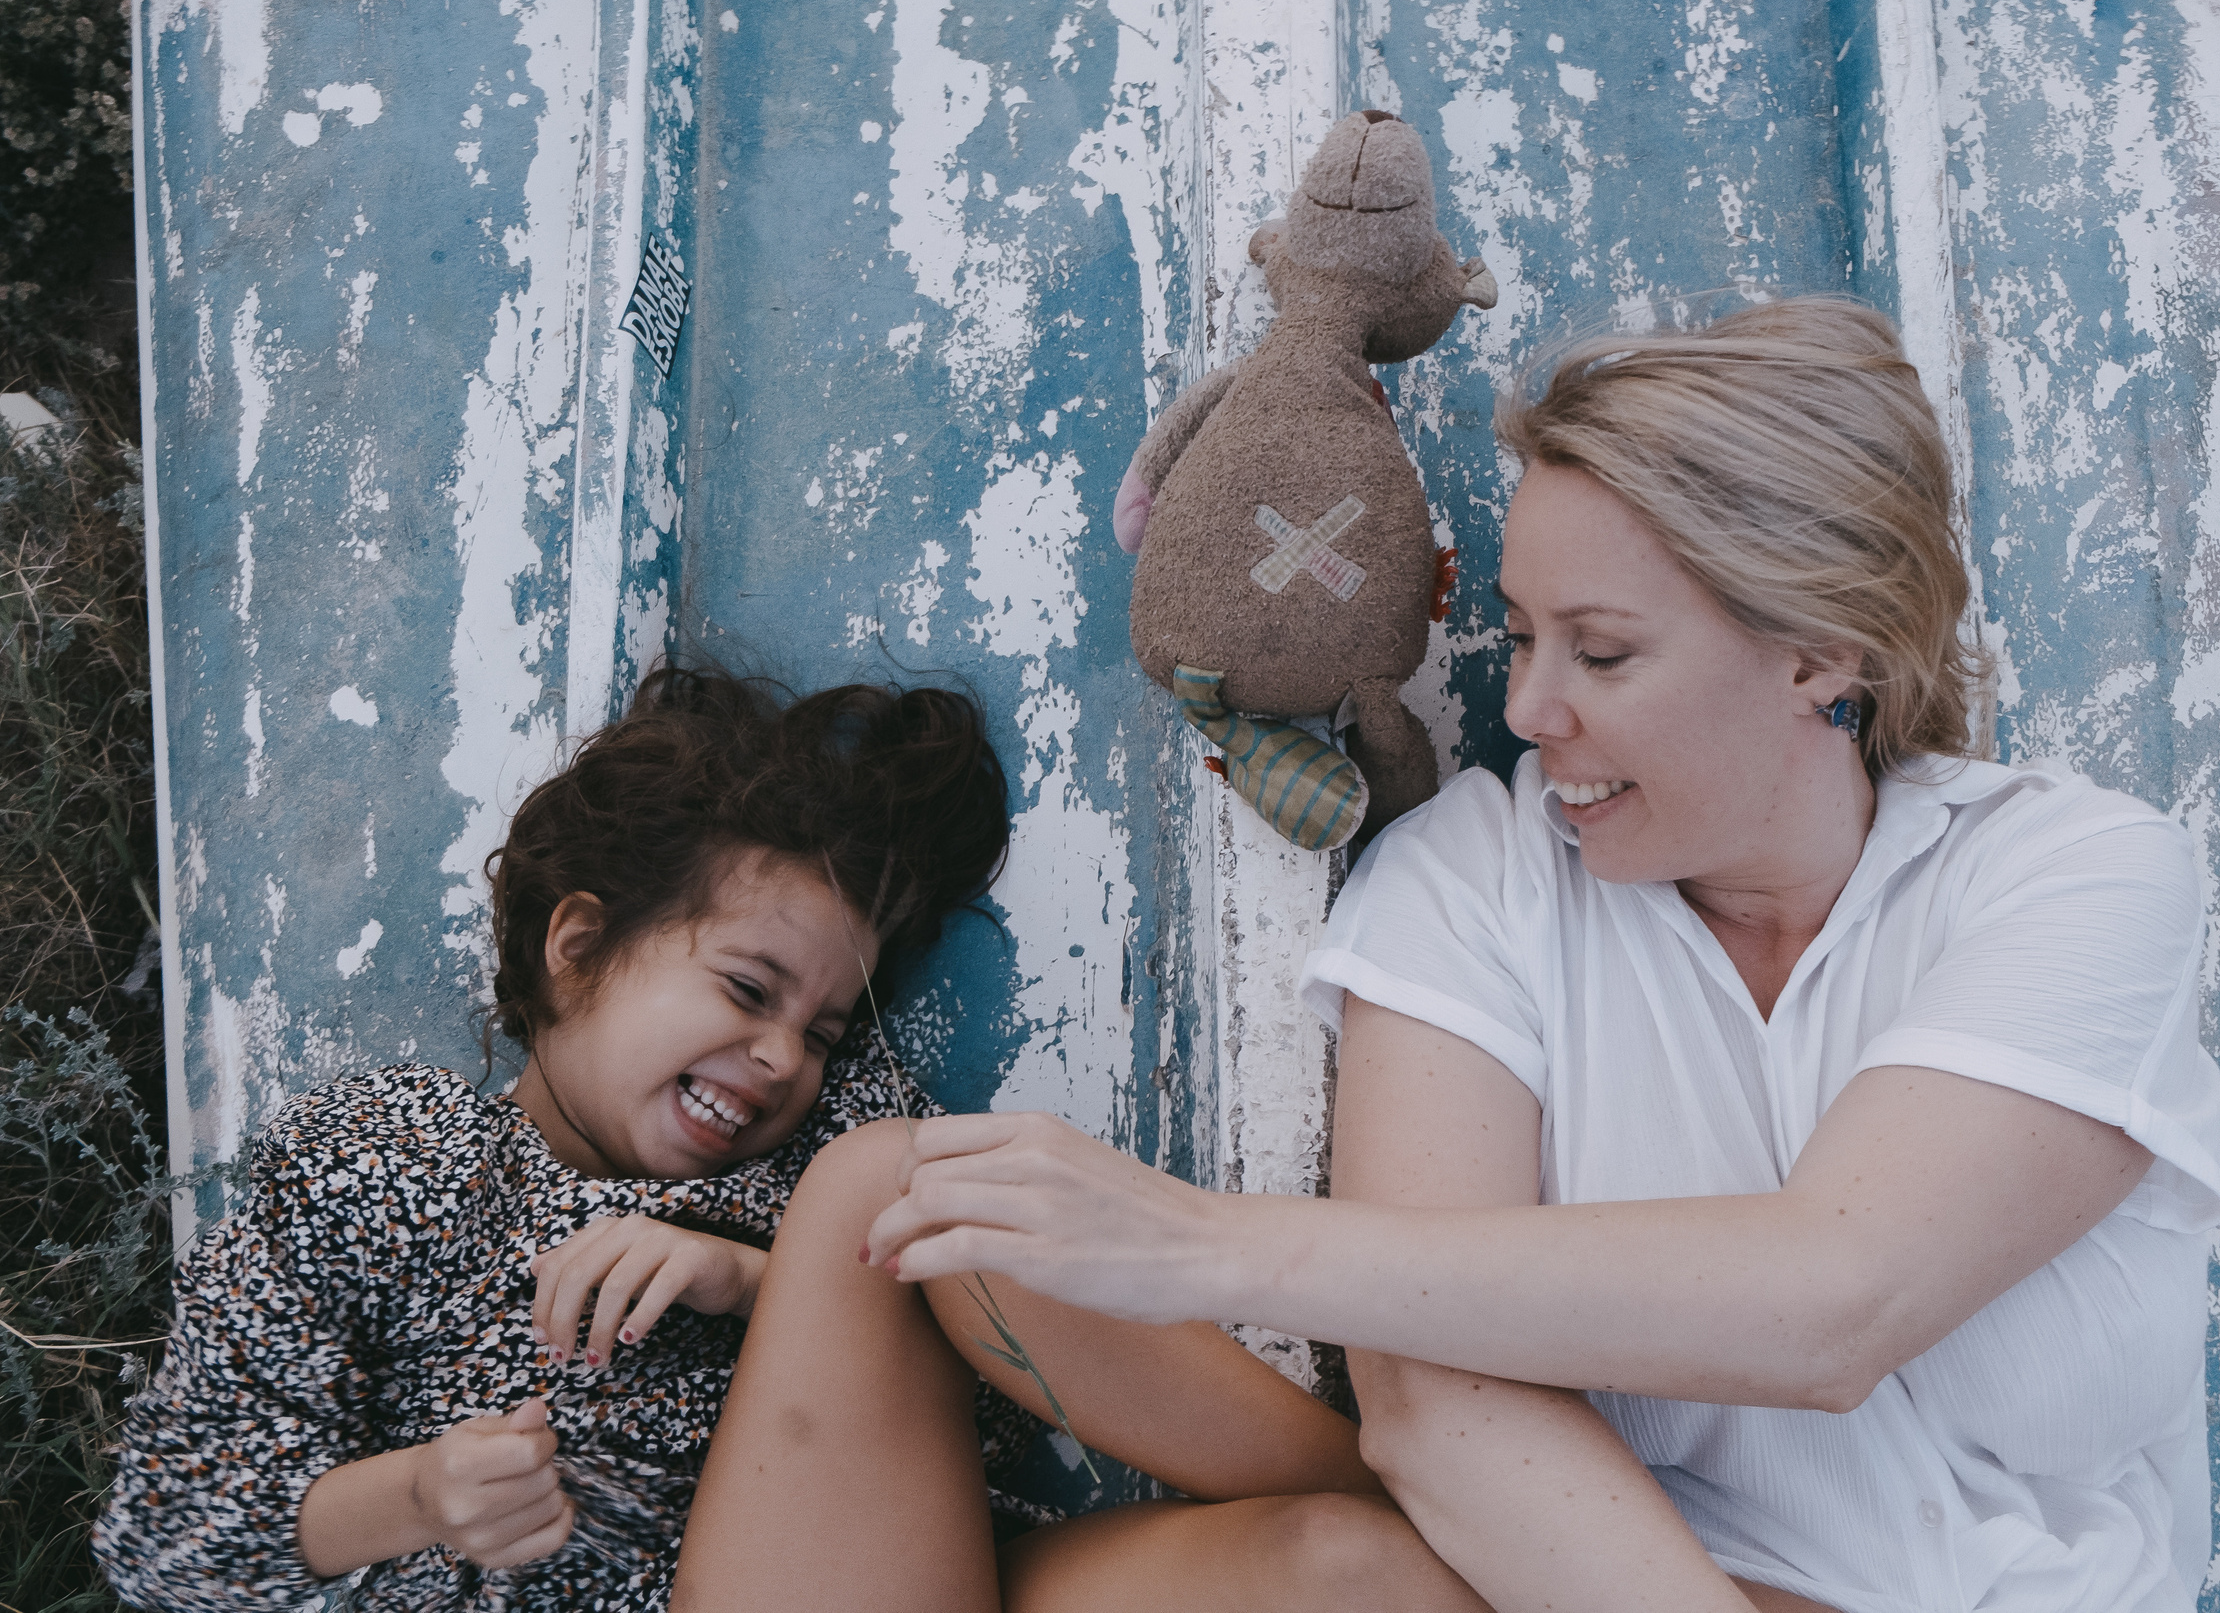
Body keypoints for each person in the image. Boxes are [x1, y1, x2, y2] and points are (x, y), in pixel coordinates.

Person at [851, 298, 2220, 1613]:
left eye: (1604, 653)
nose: (1527, 706)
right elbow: (1439, 1415)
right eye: (1517, 636)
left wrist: (1205, 1249)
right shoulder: (1475, 884)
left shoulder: (2072, 875)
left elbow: (1833, 1303)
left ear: (1825, 655)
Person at [95, 666, 1485, 1613]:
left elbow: (975, 1439)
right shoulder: (386, 1156)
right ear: (579, 947)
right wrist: (418, 1495)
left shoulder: (824, 1145)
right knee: (894, 1190)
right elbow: (167, 1545)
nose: (782, 1059)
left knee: (1342, 1568)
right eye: (750, 992)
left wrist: (757, 1283)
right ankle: (1491, 1514)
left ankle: (1489, 1521)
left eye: (820, 1030)